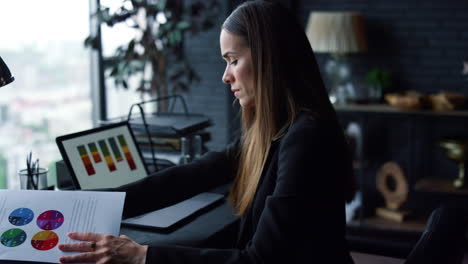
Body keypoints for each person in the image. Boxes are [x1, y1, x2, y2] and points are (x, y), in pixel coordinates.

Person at [58, 1, 356, 263]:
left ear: (270, 59)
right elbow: (189, 176)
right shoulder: (275, 133)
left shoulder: (306, 138)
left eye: (233, 60)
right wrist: (97, 203)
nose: (226, 76)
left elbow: (261, 260)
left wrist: (142, 255)